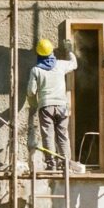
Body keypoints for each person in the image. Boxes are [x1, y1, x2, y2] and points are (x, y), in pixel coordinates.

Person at [26, 38, 78, 171]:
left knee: (48, 135)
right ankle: (65, 164)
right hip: (62, 106)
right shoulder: (60, 65)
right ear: (51, 53)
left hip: (46, 106)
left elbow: (31, 92)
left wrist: (33, 103)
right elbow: (74, 64)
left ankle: (51, 164)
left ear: (39, 54)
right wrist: (69, 50)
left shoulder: (36, 70)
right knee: (62, 135)